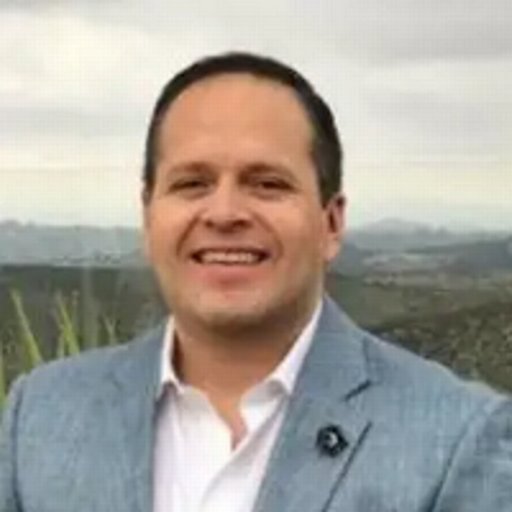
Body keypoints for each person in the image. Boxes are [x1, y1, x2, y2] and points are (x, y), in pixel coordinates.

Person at [1, 52, 511, 512]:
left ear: (331, 224)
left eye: (267, 184)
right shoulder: (40, 415)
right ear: (148, 216)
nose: (224, 212)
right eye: (192, 183)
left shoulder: (458, 439)